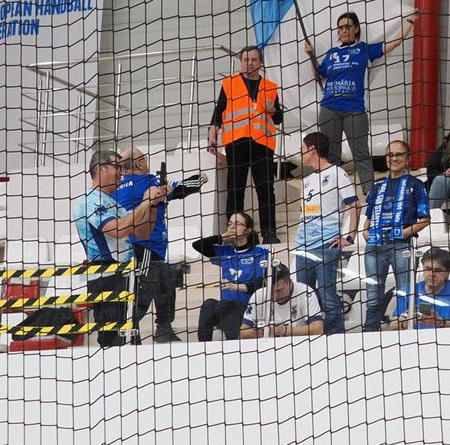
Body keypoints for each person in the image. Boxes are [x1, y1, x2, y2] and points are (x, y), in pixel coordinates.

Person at [305, 10, 417, 190]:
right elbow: (318, 75)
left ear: (356, 29)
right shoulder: (332, 53)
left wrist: (410, 22)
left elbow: (394, 42)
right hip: (329, 108)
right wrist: (310, 56)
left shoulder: (364, 49)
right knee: (331, 154)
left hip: (354, 109)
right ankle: (334, 192)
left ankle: (369, 192)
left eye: (348, 27)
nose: (343, 30)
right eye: (340, 28)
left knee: (361, 153)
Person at [72, 149, 168, 347]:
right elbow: (118, 230)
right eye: (117, 167)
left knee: (130, 340)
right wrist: (144, 202)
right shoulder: (90, 200)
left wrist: (153, 206)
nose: (122, 173)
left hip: (123, 276)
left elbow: (143, 234)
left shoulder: (112, 202)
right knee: (114, 341)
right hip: (105, 275)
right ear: (100, 169)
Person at [113, 147, 207, 343]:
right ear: (139, 163)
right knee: (145, 291)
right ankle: (138, 331)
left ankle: (160, 328)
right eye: (144, 159)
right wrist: (201, 178)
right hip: (146, 246)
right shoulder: (149, 182)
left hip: (127, 248)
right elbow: (180, 189)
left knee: (162, 282)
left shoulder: (116, 188)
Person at [206, 45, 284, 243]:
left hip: (262, 145)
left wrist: (272, 109)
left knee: (266, 189)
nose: (249, 63)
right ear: (241, 62)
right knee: (235, 188)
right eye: (245, 59)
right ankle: (232, 231)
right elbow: (219, 111)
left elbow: (278, 118)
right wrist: (212, 134)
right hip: (237, 143)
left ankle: (269, 233)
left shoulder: (270, 86)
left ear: (260, 63)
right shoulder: (229, 83)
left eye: (254, 60)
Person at [294, 131, 360, 334]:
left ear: (312, 150)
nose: (301, 154)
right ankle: (309, 334)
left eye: (303, 149)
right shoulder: (305, 180)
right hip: (303, 245)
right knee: (304, 295)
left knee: (326, 292)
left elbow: (354, 204)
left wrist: (349, 236)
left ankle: (336, 337)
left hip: (326, 244)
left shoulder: (337, 173)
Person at [362, 140, 431, 331]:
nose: (394, 158)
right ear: (386, 159)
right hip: (374, 247)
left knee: (404, 291)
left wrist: (403, 233)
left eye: (399, 154)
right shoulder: (377, 186)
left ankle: (405, 330)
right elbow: (367, 219)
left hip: (401, 246)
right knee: (372, 293)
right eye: (391, 155)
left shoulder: (416, 185)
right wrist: (365, 233)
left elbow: (425, 219)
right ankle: (370, 333)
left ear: (408, 158)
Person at [192, 213, 271, 342]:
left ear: (248, 230)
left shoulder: (260, 253)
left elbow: (263, 283)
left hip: (248, 309)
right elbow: (197, 245)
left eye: (237, 224)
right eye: (230, 224)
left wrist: (238, 287)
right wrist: (222, 237)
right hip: (225, 308)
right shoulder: (225, 252)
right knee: (209, 305)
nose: (232, 227)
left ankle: (234, 345)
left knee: (230, 311)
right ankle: (203, 348)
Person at [389, 247, 450, 330]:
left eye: (437, 270)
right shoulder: (409, 290)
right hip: (414, 339)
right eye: (428, 269)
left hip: (447, 339)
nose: (431, 274)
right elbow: (392, 326)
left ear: (448, 272)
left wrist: (440, 322)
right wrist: (407, 322)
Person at [240, 263, 324, 338]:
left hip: (299, 344)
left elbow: (318, 329)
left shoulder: (305, 292)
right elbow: (243, 332)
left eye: (279, 290)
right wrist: (261, 332)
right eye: (271, 291)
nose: (275, 295)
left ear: (290, 282)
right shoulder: (258, 296)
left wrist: (284, 330)